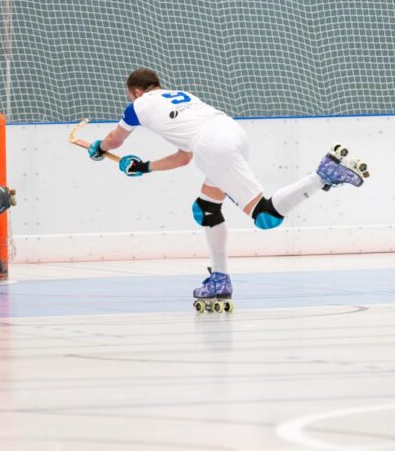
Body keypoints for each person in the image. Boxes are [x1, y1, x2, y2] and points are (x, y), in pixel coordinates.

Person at [88, 68, 368, 305]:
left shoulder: (138, 106)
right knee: (206, 208)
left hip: (211, 145)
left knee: (265, 216)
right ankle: (219, 278)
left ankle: (322, 176)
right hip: (231, 132)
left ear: (136, 92)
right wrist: (144, 167)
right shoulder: (180, 98)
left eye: (130, 95)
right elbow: (184, 157)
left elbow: (115, 140)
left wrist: (99, 148)